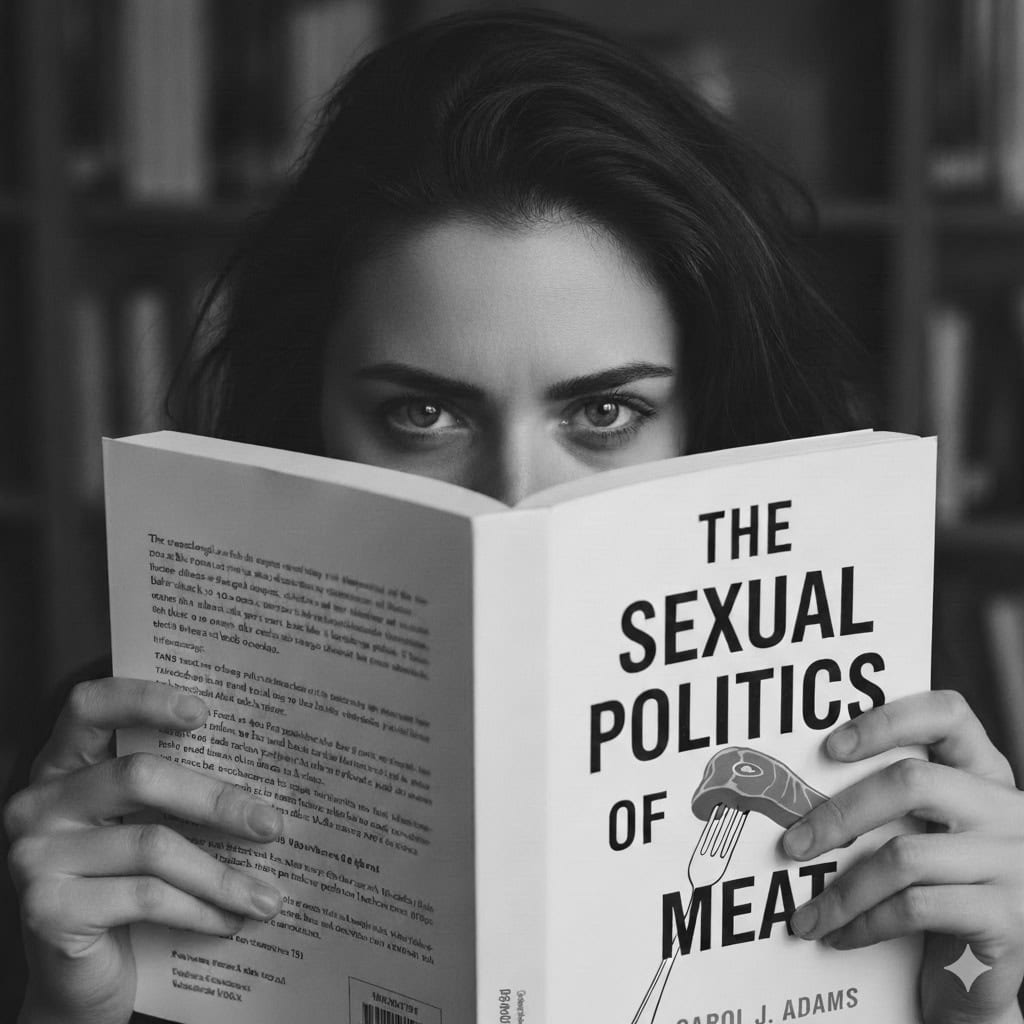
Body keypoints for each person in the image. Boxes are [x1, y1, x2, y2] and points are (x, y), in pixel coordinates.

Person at [3, 10, 1022, 1024]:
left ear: (704, 423)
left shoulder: (890, 746)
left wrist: (977, 1008)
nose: (516, 498)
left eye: (604, 412)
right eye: (423, 412)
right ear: (307, 410)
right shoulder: (118, 770)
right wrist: (64, 1009)